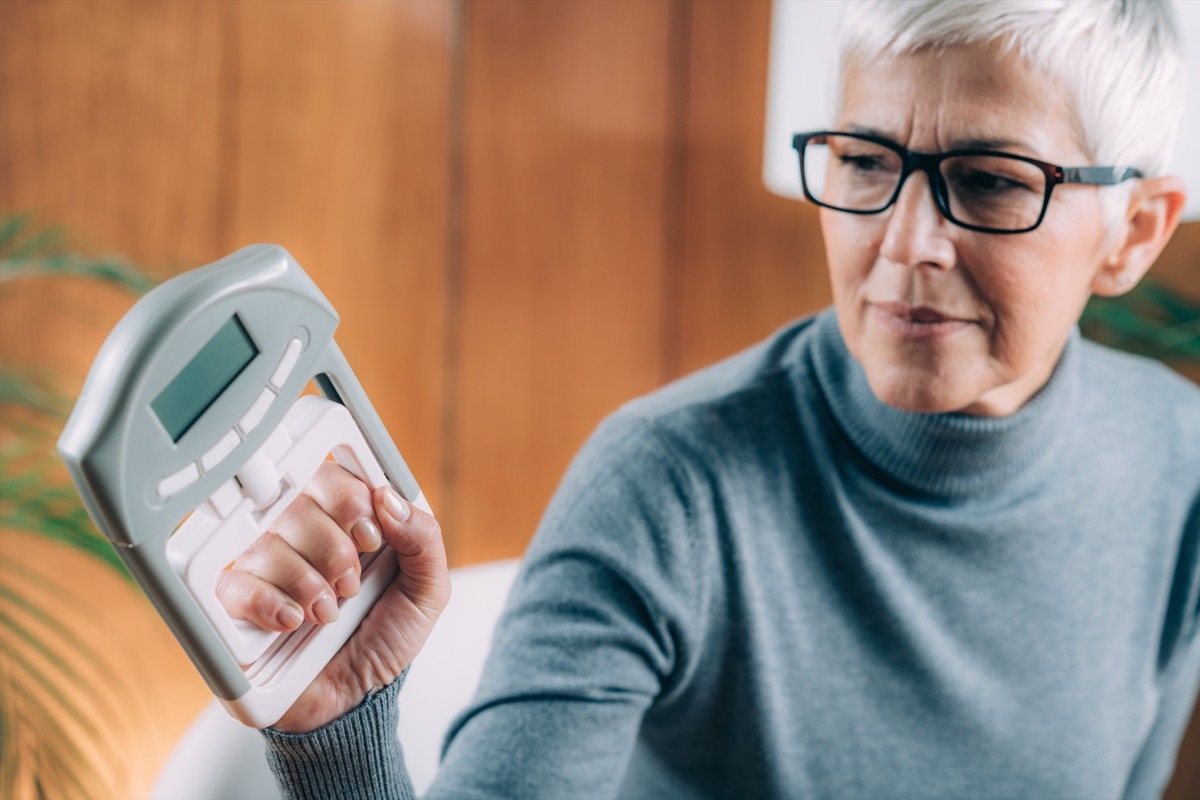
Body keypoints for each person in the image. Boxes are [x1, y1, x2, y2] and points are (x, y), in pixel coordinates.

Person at [219, 0, 1199, 796]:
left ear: (1134, 232)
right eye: (864, 161)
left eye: (987, 181)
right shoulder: (669, 483)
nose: (904, 246)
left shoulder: (1179, 459)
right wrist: (339, 736)